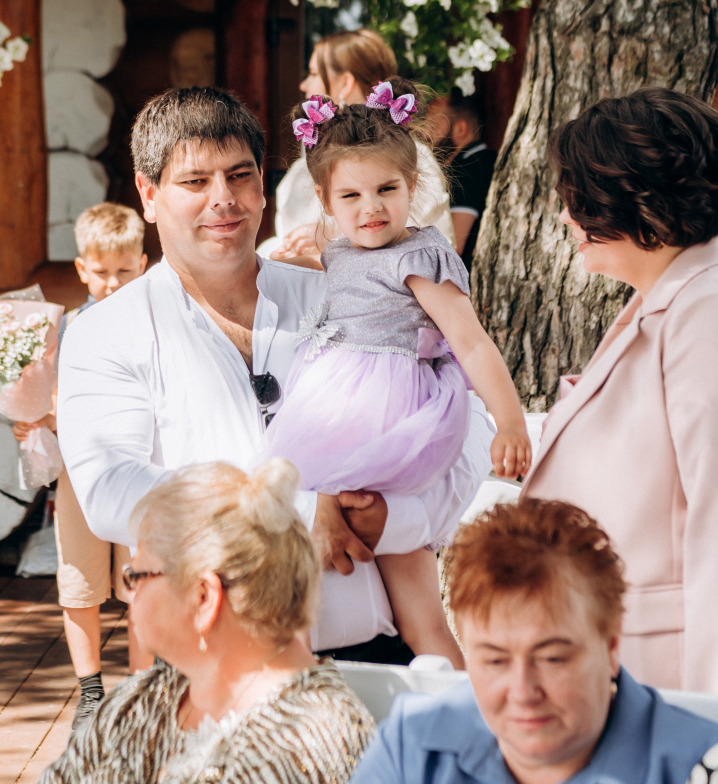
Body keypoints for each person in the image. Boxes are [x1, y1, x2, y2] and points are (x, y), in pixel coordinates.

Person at [57, 85, 493, 662]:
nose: (224, 199)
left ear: (263, 183)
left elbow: (468, 417)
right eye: (195, 182)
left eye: (240, 175)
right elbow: (113, 491)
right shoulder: (106, 330)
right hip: (216, 657)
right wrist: (293, 510)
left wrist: (400, 519)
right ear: (148, 193)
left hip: (375, 646)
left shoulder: (344, 293)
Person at [265, 79, 531, 667]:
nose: (371, 208)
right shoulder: (337, 252)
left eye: (387, 189)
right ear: (325, 200)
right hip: (329, 408)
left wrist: (510, 422)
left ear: (413, 186)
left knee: (421, 619)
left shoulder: (420, 256)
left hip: (386, 415)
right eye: (352, 196)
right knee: (298, 590)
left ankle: (465, 720)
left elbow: (471, 342)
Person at [522, 87, 718, 692]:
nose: (564, 216)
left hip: (666, 679)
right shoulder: (663, 299)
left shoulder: (703, 309)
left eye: (577, 197)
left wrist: (706, 722)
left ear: (635, 193)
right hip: (610, 660)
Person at [39, 458, 375, 783]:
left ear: (204, 597)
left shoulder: (297, 741)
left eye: (137, 575)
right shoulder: (143, 698)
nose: (131, 593)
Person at [350, 499, 718, 784]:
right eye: (494, 661)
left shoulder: (700, 763)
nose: (522, 691)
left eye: (553, 659)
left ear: (610, 648)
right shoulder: (414, 748)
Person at [13, 202, 149, 730]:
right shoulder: (65, 329)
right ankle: (90, 691)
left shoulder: (152, 323)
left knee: (143, 580)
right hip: (79, 472)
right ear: (81, 270)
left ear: (142, 264)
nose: (112, 283)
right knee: (79, 582)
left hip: (140, 468)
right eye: (100, 272)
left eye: (123, 271)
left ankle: (139, 688)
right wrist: (36, 418)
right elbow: (51, 397)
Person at [259, 28, 455, 262]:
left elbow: (432, 248)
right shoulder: (317, 157)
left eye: (313, 73)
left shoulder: (410, 157)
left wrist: (332, 239)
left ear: (345, 82)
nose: (303, 84)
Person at [425, 89, 497, 270]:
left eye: (435, 123)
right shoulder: (481, 160)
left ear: (460, 128)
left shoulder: (471, 164)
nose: (426, 132)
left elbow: (454, 244)